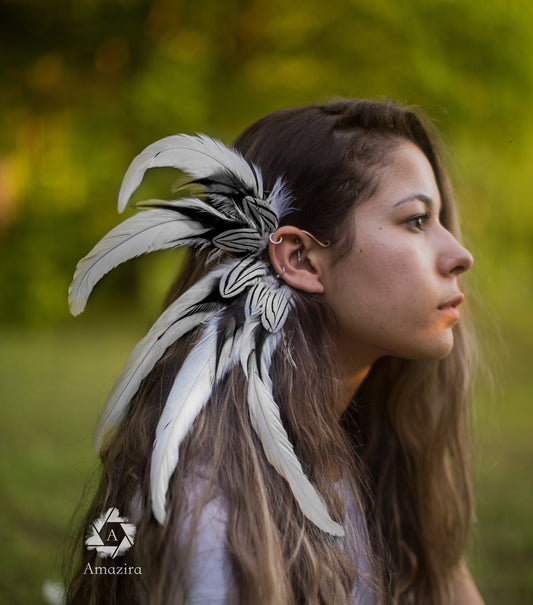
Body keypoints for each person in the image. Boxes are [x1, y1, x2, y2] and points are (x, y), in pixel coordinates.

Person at [64, 99, 485, 604]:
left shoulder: (373, 441)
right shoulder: (204, 511)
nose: (460, 255)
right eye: (417, 220)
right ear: (301, 259)